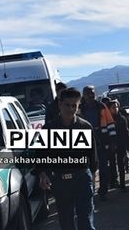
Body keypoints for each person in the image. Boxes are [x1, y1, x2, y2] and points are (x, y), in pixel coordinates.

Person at [37, 87, 98, 230]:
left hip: (82, 179)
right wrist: (42, 174)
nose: (71, 109)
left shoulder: (85, 127)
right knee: (66, 222)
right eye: (67, 105)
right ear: (59, 104)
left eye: (74, 105)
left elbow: (92, 155)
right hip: (60, 182)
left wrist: (93, 176)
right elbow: (41, 155)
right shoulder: (49, 130)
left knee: (86, 222)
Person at [79, 86, 116, 200]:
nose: (90, 95)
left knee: (104, 168)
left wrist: (112, 141)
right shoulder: (80, 109)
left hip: (102, 142)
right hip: (85, 143)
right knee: (87, 170)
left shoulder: (102, 106)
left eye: (92, 93)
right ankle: (90, 192)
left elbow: (110, 124)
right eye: (88, 93)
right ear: (84, 95)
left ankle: (103, 192)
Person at [107, 100, 129, 192]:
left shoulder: (122, 119)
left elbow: (126, 132)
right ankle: (113, 181)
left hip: (121, 144)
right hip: (111, 145)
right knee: (112, 164)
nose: (115, 109)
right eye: (113, 107)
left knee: (121, 164)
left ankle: (122, 183)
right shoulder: (107, 120)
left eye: (117, 107)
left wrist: (128, 143)